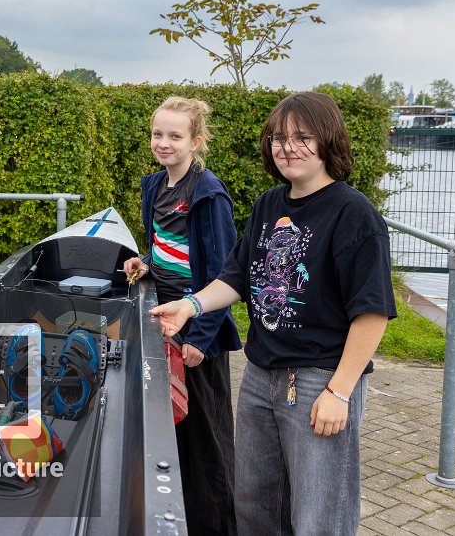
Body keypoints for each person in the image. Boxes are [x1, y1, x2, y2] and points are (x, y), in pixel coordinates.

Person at [152, 91, 396, 535]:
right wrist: (189, 306)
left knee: (318, 517)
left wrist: (340, 392)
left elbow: (372, 312)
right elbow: (236, 276)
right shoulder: (269, 203)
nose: (288, 147)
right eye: (279, 138)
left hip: (319, 381)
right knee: (254, 506)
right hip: (260, 376)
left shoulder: (354, 214)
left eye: (302, 137)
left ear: (327, 140)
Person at [121, 96, 240, 535]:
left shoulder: (208, 194)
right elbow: (165, 243)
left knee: (206, 441)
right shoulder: (155, 185)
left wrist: (201, 339)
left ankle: (215, 525)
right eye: (158, 134)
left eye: (175, 135)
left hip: (196, 332)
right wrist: (146, 262)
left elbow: (226, 272)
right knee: (173, 433)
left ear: (196, 140)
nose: (164, 143)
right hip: (162, 320)